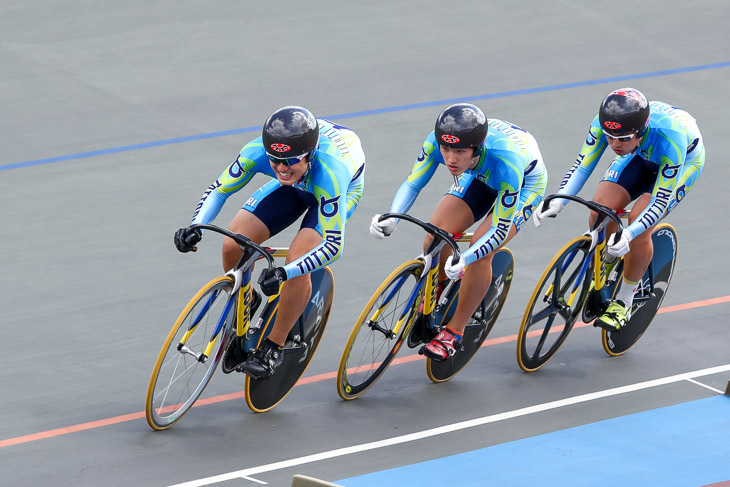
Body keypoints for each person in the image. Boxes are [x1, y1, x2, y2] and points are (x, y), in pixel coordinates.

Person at [174, 106, 366, 379]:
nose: (281, 167)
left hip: (335, 193)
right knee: (233, 244)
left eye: (289, 161)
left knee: (298, 259)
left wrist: (284, 272)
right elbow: (219, 189)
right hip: (297, 187)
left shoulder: (331, 173)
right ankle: (249, 299)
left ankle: (274, 345)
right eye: (275, 160)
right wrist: (195, 226)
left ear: (309, 155)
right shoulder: (258, 152)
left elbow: (334, 247)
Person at [370, 103, 548, 361]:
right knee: (434, 236)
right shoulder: (436, 142)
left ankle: (454, 331)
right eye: (446, 149)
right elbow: (413, 183)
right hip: (477, 173)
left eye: (459, 151)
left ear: (476, 148)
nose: (451, 159)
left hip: (522, 183)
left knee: (480, 249)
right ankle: (439, 287)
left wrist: (466, 258)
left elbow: (498, 231)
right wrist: (392, 217)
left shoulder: (507, 161)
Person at [534, 87, 704, 331]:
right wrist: (560, 200)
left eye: (622, 138)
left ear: (640, 131)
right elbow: (582, 166)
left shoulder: (670, 137)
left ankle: (623, 301)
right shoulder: (611, 127)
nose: (613, 143)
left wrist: (631, 233)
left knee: (638, 220)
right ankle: (606, 263)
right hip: (639, 154)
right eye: (609, 137)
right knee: (598, 210)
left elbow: (659, 200)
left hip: (681, 162)